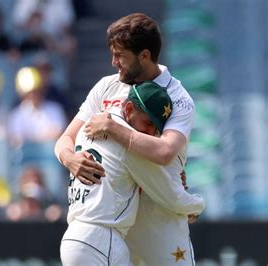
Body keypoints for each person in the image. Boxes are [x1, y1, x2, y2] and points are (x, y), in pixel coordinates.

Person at [55, 13, 198, 265]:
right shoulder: (106, 86)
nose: (113, 62)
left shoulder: (179, 97)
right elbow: (66, 137)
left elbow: (165, 152)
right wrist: (70, 159)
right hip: (116, 216)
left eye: (120, 55)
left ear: (144, 55)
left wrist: (113, 127)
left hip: (159, 212)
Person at [59, 82, 204, 265]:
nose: (150, 132)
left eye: (156, 128)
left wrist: (66, 157)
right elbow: (169, 193)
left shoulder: (91, 124)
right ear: (128, 109)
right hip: (99, 237)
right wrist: (196, 205)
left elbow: (65, 140)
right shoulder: (126, 142)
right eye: (148, 122)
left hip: (83, 236)